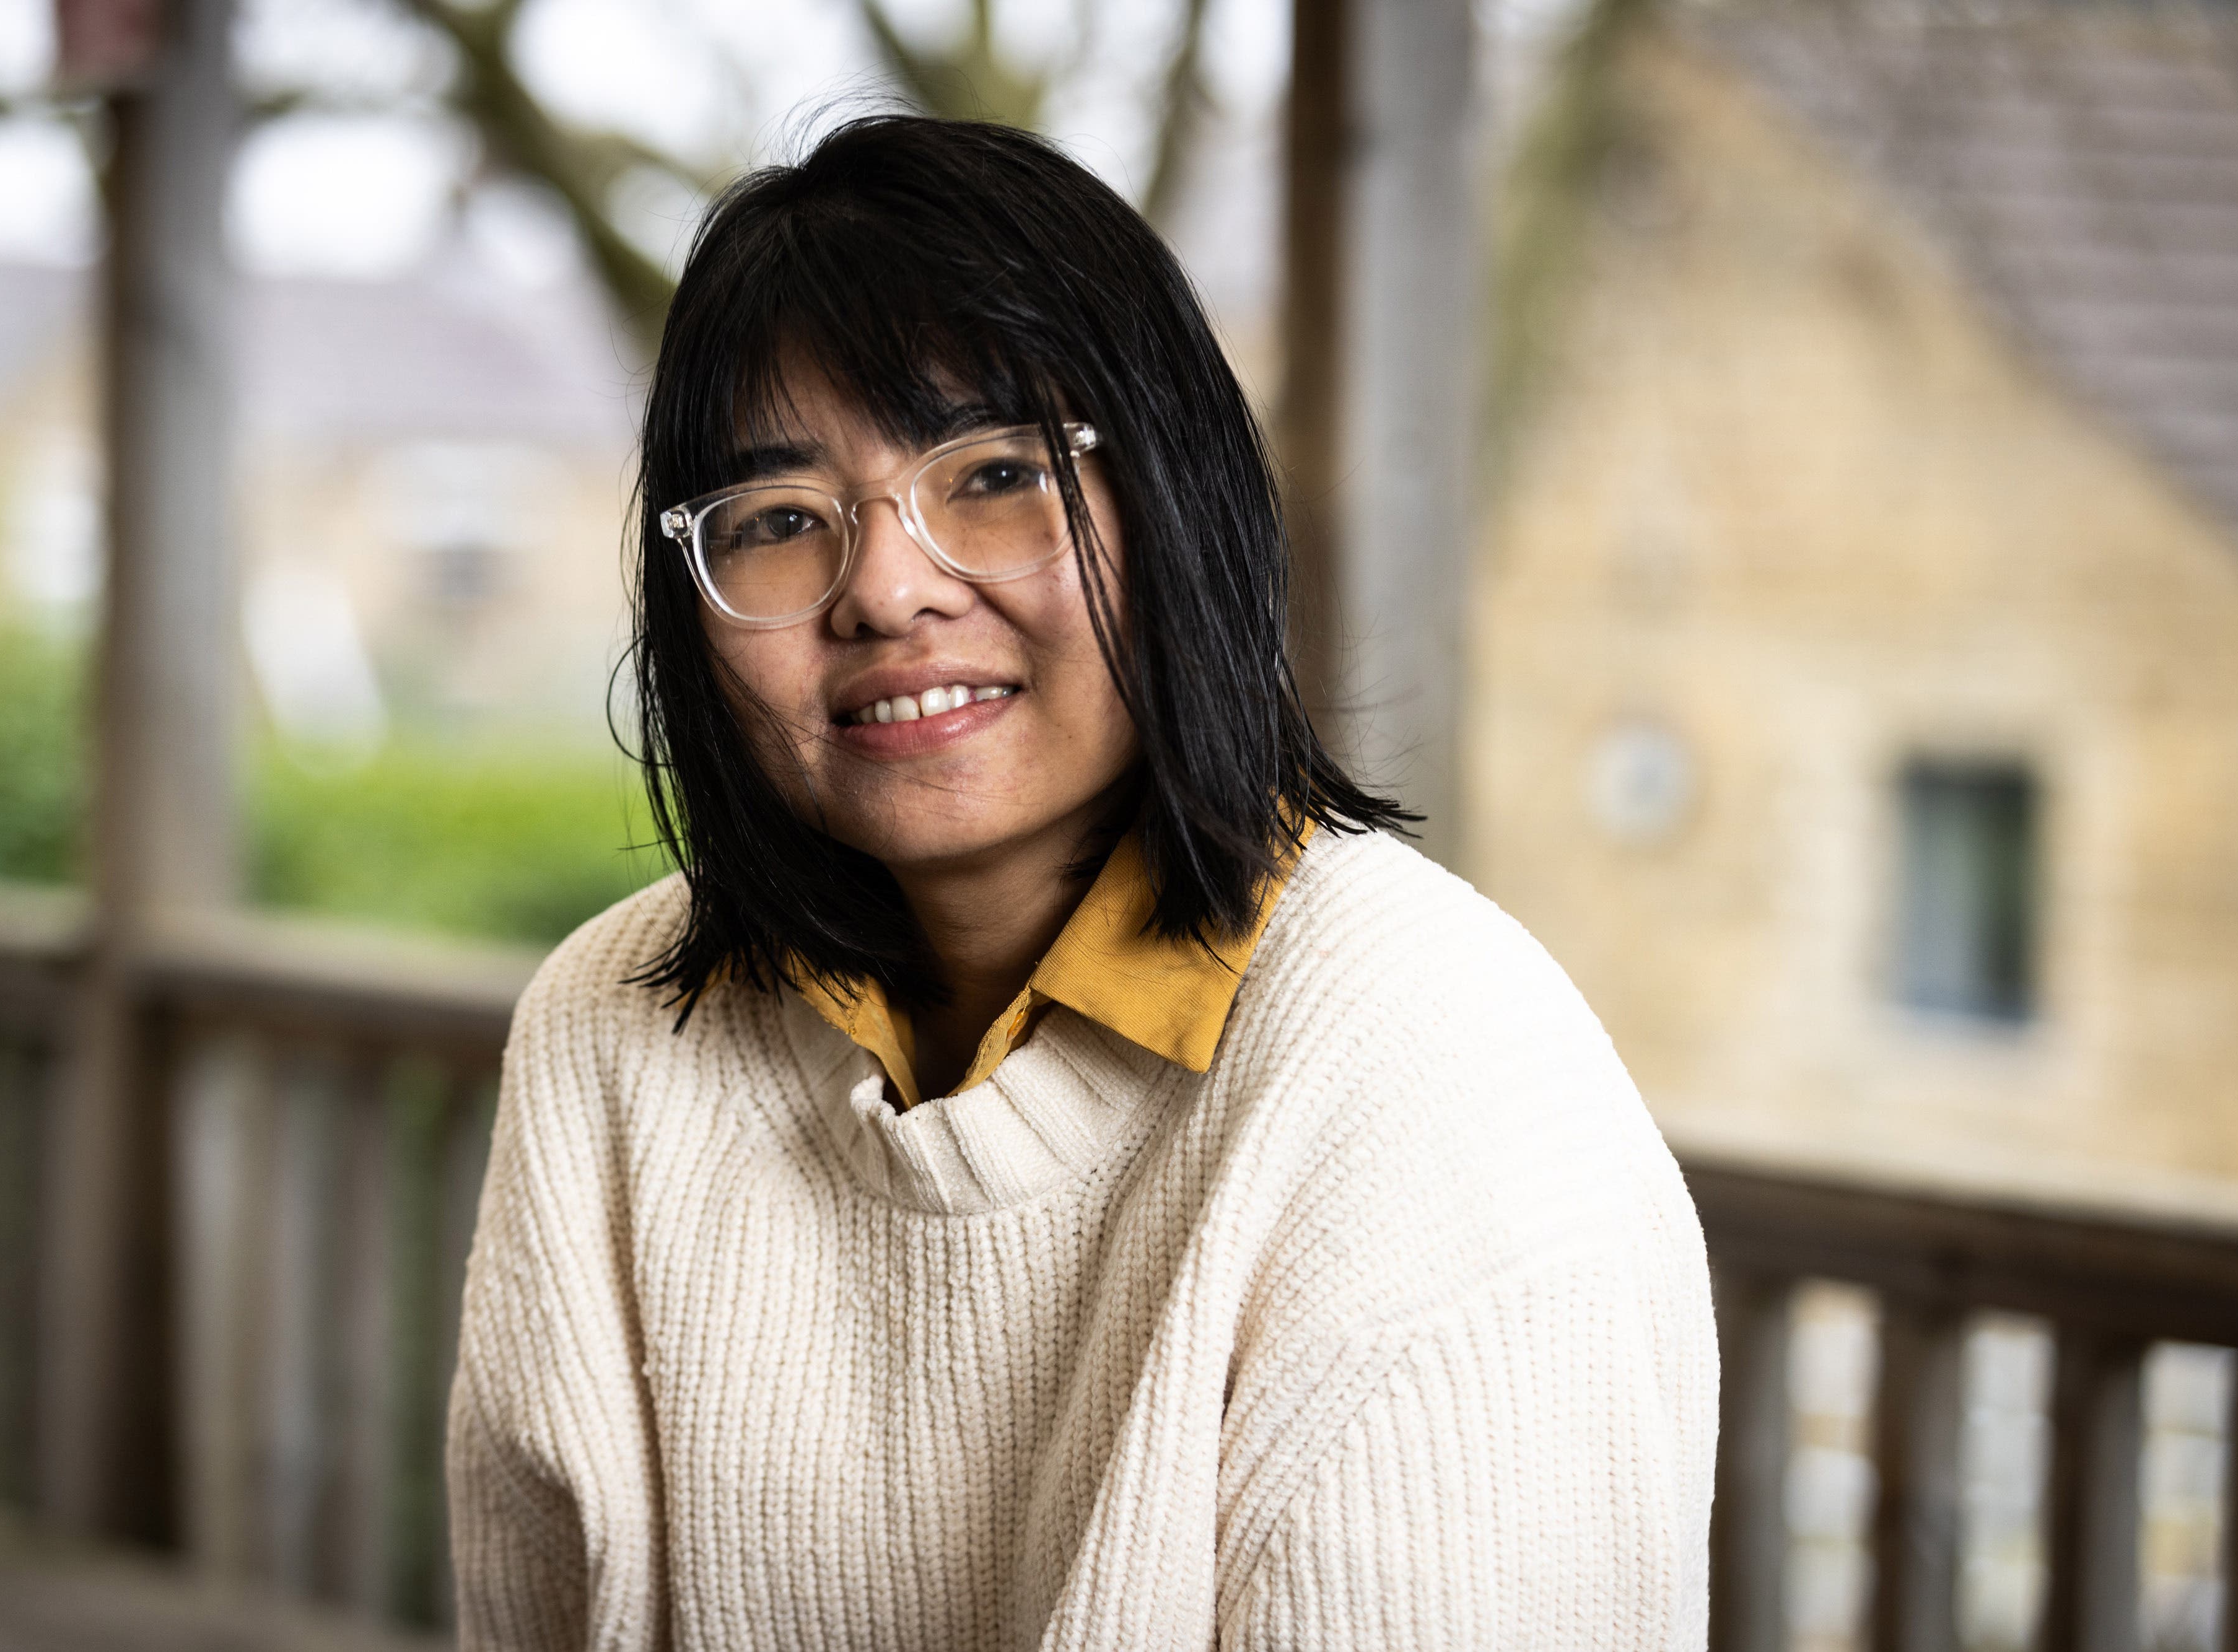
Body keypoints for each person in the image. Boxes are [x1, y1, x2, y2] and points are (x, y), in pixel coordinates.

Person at [446, 114, 1716, 1650]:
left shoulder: (1432, 1068)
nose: (887, 586)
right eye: (779, 521)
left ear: (1177, 501)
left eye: (992, 474)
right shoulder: (608, 1031)